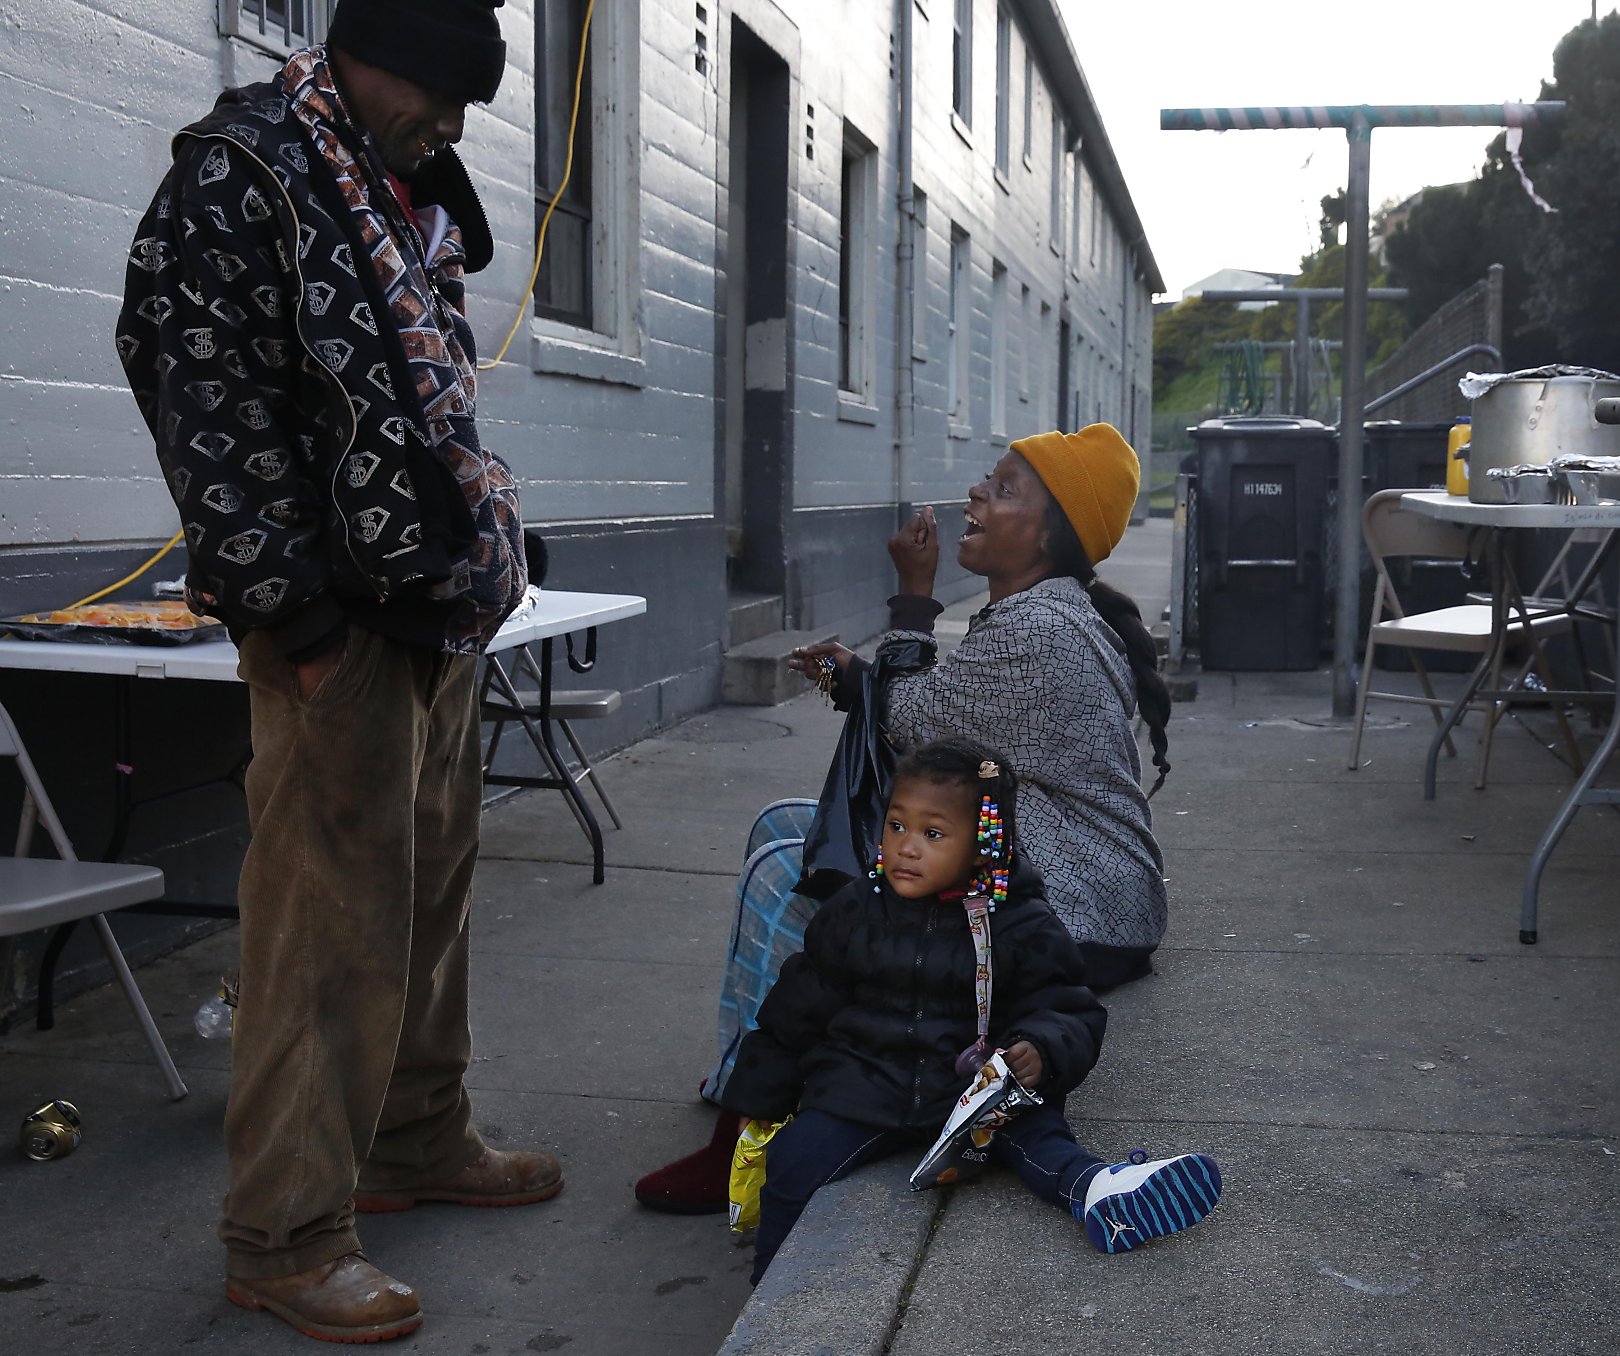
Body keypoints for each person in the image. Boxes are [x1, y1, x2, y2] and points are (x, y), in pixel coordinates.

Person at [115, 1, 555, 1342]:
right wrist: (291, 619)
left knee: (425, 907)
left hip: (436, 605)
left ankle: (418, 1137)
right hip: (337, 628)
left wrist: (425, 169)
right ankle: (285, 1234)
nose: (455, 125)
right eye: (442, 97)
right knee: (327, 937)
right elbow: (201, 389)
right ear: (380, 58)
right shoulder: (242, 171)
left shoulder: (383, 178)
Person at [633, 422, 1172, 1215]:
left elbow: (912, 728)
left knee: (793, 871)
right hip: (1068, 868)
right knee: (780, 827)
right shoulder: (1039, 611)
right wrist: (862, 673)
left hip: (1075, 902)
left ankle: (745, 1130)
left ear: (1051, 534)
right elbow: (922, 719)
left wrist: (912, 598)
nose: (977, 496)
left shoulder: (1037, 631)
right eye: (988, 480)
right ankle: (741, 1088)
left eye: (1005, 489)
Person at [718, 739, 1221, 1283]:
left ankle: (1102, 1191)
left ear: (985, 844)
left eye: (933, 834)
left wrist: (1041, 1048)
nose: (907, 847)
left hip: (971, 1093)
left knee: (1040, 1137)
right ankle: (771, 1286)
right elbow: (796, 1009)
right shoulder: (855, 912)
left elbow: (1067, 1007)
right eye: (896, 826)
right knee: (791, 1166)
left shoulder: (1018, 923)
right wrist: (760, 1098)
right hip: (862, 1086)